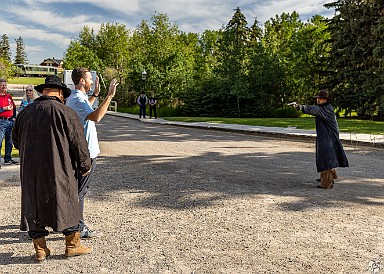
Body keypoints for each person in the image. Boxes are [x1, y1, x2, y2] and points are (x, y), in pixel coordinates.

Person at [12, 75, 92, 261]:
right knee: (67, 202)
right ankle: (72, 245)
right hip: (60, 168)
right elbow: (79, 144)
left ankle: (40, 249)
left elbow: (15, 141)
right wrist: (84, 165)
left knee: (34, 203)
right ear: (61, 94)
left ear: (43, 92)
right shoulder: (66, 112)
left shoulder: (26, 113)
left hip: (31, 170)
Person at [66, 67, 119, 238]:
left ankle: (73, 224)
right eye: (89, 78)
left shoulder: (76, 99)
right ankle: (78, 228)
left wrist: (95, 95)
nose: (91, 81)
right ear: (81, 80)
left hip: (84, 151)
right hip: (85, 153)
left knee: (78, 190)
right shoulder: (76, 99)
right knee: (80, 191)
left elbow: (86, 109)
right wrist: (109, 96)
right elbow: (96, 117)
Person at [292, 90, 349, 189]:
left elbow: (313, 109)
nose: (318, 100)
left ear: (325, 100)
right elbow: (315, 109)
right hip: (327, 135)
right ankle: (328, 176)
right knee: (326, 156)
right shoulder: (325, 108)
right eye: (318, 98)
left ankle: (326, 183)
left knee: (326, 158)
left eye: (320, 98)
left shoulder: (326, 109)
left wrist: (300, 107)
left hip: (328, 136)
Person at [0, 78, 18, 167]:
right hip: (1, 121)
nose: (4, 87)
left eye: (5, 85)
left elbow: (14, 107)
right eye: (2, 85)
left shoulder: (9, 96)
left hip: (10, 121)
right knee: (0, 140)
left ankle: (7, 158)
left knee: (9, 141)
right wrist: (4, 109)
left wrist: (14, 116)